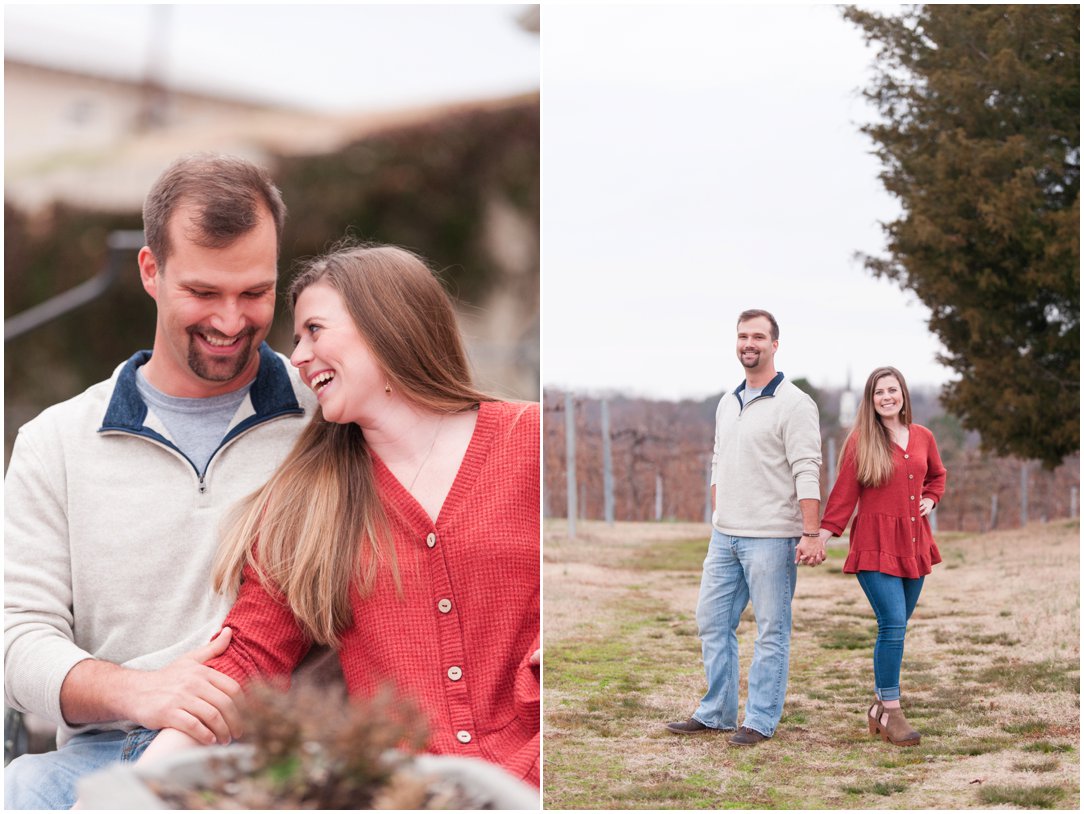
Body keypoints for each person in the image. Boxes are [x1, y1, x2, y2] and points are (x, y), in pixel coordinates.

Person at [138, 243, 541, 785]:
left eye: (315, 330)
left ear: (384, 324)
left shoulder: (531, 442)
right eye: (297, 338)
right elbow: (247, 661)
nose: (298, 356)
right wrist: (131, 791)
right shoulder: (309, 499)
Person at [4, 154, 316, 809]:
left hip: (278, 761)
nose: (231, 322)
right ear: (151, 270)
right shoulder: (55, 443)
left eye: (254, 293)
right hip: (100, 756)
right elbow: (17, 643)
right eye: (203, 293)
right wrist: (142, 690)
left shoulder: (327, 417)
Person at [666, 309, 822, 747]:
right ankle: (716, 712)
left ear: (775, 344)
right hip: (725, 536)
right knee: (712, 622)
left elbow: (807, 468)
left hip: (772, 537)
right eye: (742, 336)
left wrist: (810, 533)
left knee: (771, 629)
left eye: (758, 336)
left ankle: (759, 719)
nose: (748, 343)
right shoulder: (727, 401)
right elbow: (718, 457)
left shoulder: (795, 404)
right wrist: (719, 509)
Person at [817, 365, 946, 746]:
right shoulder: (862, 441)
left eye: (892, 390)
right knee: (892, 623)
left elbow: (937, 475)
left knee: (897, 627)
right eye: (879, 393)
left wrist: (930, 498)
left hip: (913, 544)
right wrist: (821, 537)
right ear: (870, 401)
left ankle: (877, 707)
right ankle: (890, 709)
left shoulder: (923, 437)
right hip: (874, 544)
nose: (887, 397)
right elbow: (843, 496)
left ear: (903, 394)